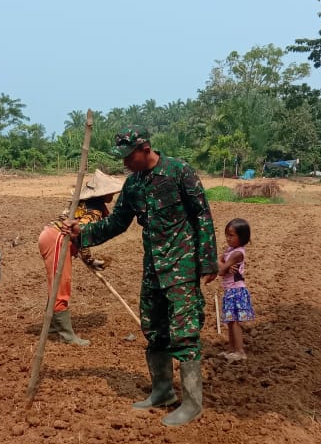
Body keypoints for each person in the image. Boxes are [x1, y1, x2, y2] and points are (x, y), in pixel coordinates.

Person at [61, 126, 218, 427]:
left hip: (181, 267)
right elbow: (118, 222)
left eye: (128, 156)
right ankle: (162, 391)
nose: (124, 163)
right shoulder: (133, 185)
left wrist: (207, 260)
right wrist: (84, 233)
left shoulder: (179, 171)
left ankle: (192, 403)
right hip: (153, 268)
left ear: (145, 149)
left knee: (184, 332)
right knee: (154, 329)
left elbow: (201, 214)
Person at [38, 170, 124, 346]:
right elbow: (81, 234)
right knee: (61, 286)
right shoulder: (95, 210)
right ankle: (66, 335)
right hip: (57, 240)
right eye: (110, 192)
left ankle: (54, 326)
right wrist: (89, 258)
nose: (113, 195)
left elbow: (81, 237)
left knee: (57, 284)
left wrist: (89, 260)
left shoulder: (84, 204)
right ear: (102, 193)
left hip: (53, 237)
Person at [212, 218, 255, 361]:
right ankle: (232, 349)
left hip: (236, 291)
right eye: (227, 235)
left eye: (231, 235)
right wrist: (222, 263)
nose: (228, 238)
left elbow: (221, 271)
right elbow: (220, 260)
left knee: (234, 322)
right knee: (230, 321)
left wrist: (223, 264)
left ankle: (240, 351)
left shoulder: (237, 253)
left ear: (241, 237)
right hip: (230, 291)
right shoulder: (231, 250)